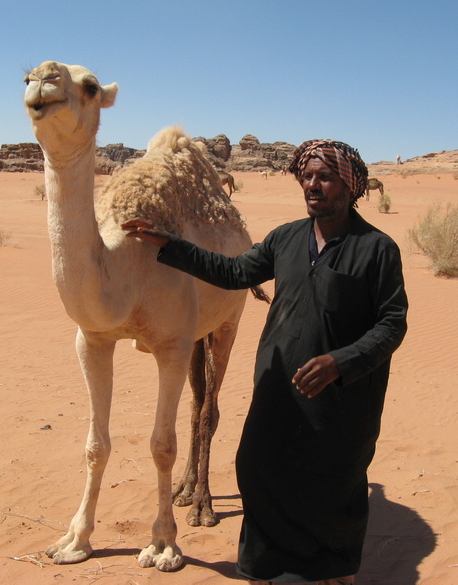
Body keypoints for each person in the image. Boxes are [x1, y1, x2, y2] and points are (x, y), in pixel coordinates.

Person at [122, 139, 408, 584]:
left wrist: (341, 362)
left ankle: (332, 570)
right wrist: (172, 246)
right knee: (259, 469)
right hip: (278, 387)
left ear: (350, 187)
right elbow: (234, 273)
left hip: (343, 398)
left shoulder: (377, 249)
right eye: (308, 176)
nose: (313, 184)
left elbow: (392, 324)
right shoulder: (286, 238)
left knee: (333, 482)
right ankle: (267, 566)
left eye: (325, 177)